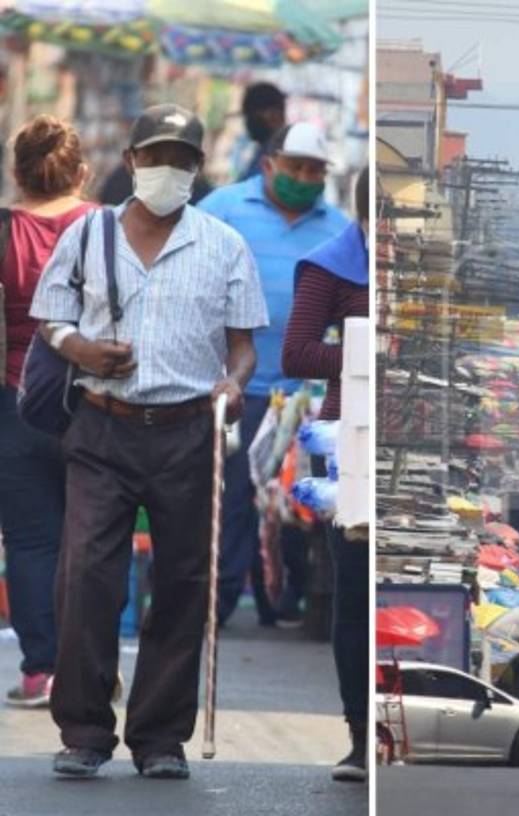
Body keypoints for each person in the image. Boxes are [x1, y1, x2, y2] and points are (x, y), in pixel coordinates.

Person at [30, 104, 268, 778]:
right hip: (102, 426)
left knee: (186, 582)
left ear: (198, 168)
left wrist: (233, 384)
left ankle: (160, 738)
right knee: (86, 576)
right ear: (132, 161)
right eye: (157, 156)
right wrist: (82, 348)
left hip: (188, 432)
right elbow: (51, 319)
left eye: (182, 158)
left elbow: (243, 347)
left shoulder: (224, 245)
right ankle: (84, 730)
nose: (169, 169)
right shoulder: (87, 234)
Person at [199, 122, 350, 628]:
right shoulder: (223, 209)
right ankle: (218, 605)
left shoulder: (338, 228)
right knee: (233, 501)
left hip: (305, 397)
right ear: (269, 164)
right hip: (238, 388)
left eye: (314, 170)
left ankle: (287, 601)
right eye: (295, 167)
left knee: (298, 504)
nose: (304, 178)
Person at [1, 115, 95, 707]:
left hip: (16, 402)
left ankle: (42, 670)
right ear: (82, 172)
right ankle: (89, 667)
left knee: (32, 541)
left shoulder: (4, 230)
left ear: (17, 174)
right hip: (96, 401)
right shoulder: (106, 228)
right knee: (94, 539)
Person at [282, 165, 370, 780]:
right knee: (355, 593)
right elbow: (297, 352)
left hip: (419, 436)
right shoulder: (331, 265)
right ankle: (360, 736)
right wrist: (368, 354)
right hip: (350, 442)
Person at [240, 82, 287, 181]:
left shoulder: (277, 154)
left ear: (274, 115)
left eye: (252, 117)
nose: (248, 124)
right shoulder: (265, 149)